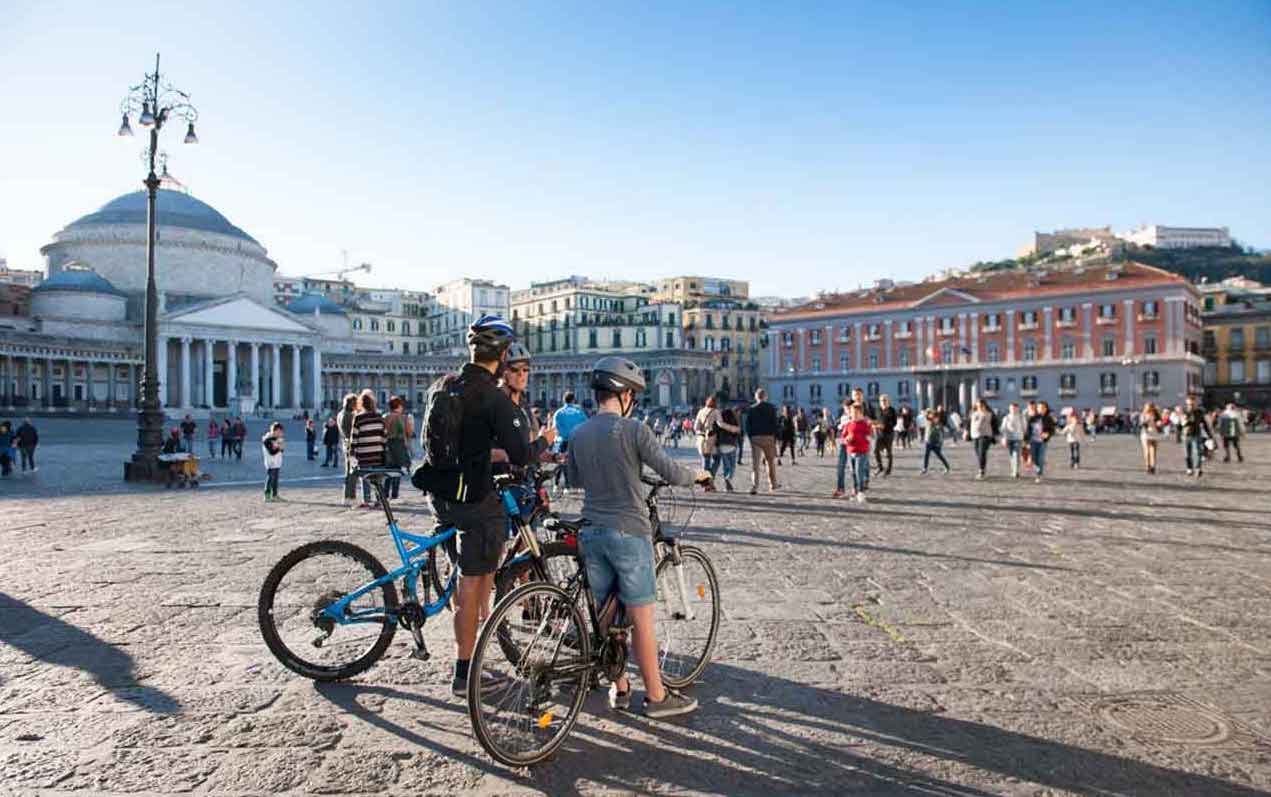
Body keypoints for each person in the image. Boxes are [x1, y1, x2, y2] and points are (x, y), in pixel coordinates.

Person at [566, 355, 711, 718]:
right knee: (641, 619)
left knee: (607, 616)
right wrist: (697, 476)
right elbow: (670, 471)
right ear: (626, 394)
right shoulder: (634, 430)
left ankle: (620, 688)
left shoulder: (578, 433)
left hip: (591, 533)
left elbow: (573, 479)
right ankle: (657, 697)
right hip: (629, 531)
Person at [413, 315, 534, 698]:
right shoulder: (492, 396)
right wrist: (541, 444)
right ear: (503, 354)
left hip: (440, 497)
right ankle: (465, 673)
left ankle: (472, 653)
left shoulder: (443, 385)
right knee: (473, 583)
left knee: (465, 577)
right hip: (475, 502)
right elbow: (521, 453)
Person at [350, 390, 386, 508]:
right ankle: (379, 499)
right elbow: (384, 436)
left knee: (365, 477)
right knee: (377, 478)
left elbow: (354, 438)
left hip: (363, 454)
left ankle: (366, 499)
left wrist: (352, 454)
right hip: (377, 453)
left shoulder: (358, 418)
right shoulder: (379, 417)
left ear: (361, 404)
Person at [746, 388, 780, 494]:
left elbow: (748, 425)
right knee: (770, 462)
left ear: (756, 397)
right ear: (765, 397)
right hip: (769, 437)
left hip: (755, 438)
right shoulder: (771, 408)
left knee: (755, 464)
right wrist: (775, 437)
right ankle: (773, 484)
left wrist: (750, 436)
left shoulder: (751, 409)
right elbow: (775, 423)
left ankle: (754, 486)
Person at [552, 391, 588, 490]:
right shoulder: (579, 412)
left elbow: (555, 428)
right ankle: (577, 485)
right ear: (573, 400)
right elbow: (586, 425)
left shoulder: (558, 412)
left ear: (564, 400)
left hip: (562, 441)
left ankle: (558, 485)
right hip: (576, 441)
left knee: (561, 462)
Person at [837, 402, 872, 503]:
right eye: (852, 413)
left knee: (858, 471)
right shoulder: (848, 424)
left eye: (857, 413)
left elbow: (868, 438)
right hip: (850, 452)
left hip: (862, 452)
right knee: (852, 472)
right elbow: (843, 437)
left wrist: (857, 437)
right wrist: (847, 439)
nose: (854, 415)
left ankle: (861, 492)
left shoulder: (864, 425)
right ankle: (855, 490)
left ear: (861, 414)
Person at [383, 395, 416, 500]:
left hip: (388, 446)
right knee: (397, 470)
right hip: (399, 446)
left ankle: (385, 493)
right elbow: (409, 433)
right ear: (399, 406)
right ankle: (394, 494)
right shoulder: (404, 418)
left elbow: (382, 432)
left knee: (388, 470)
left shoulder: (385, 416)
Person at [336, 393, 360, 508]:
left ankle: (347, 496)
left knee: (348, 471)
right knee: (353, 472)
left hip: (345, 444)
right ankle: (351, 497)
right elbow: (353, 431)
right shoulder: (350, 415)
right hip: (352, 445)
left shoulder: (340, 414)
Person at [1180, 395, 1212, 478]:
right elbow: (1181, 424)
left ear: (1196, 403)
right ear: (1186, 404)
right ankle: (1189, 468)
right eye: (1189, 404)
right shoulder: (1184, 412)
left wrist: (1209, 435)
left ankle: (1198, 468)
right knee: (1187, 454)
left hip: (1196, 434)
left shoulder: (1199, 412)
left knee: (1198, 452)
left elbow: (1204, 423)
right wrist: (1185, 420)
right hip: (1186, 435)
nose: (1191, 406)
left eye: (1192, 404)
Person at [693, 396, 722, 489]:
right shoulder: (716, 412)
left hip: (701, 440)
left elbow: (696, 427)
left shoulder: (701, 411)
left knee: (705, 460)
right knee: (716, 459)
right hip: (712, 439)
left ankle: (707, 482)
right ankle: (708, 482)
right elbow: (720, 424)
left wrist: (701, 433)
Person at [1027, 400, 1056, 483]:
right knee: (1034, 458)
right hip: (1033, 441)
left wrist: (1048, 434)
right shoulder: (1033, 418)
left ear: (1046, 408)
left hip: (1042, 441)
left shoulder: (1049, 418)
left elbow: (1052, 430)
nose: (1041, 409)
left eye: (1043, 407)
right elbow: (1028, 430)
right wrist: (1026, 441)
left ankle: (1038, 475)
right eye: (1039, 407)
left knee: (1040, 458)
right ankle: (1038, 469)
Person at [715, 406, 742, 492]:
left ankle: (727, 483)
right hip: (732, 445)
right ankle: (728, 478)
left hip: (722, 445)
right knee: (732, 465)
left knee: (726, 465)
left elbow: (716, 433)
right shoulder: (734, 422)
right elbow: (737, 433)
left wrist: (717, 444)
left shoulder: (720, 423)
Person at [874, 394, 898, 476]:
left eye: (885, 400)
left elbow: (894, 423)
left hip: (889, 434)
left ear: (888, 401)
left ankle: (888, 470)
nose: (883, 402)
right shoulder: (877, 410)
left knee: (888, 452)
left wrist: (885, 426)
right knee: (875, 450)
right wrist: (875, 425)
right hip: (879, 434)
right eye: (881, 400)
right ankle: (880, 467)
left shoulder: (892, 410)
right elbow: (876, 420)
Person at [969, 399, 994, 480]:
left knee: (982, 452)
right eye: (978, 405)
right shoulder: (973, 413)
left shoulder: (989, 414)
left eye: (981, 405)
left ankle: (981, 471)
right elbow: (969, 423)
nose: (980, 407)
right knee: (978, 453)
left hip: (985, 435)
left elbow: (994, 424)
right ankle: (983, 467)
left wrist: (995, 435)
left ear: (984, 405)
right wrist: (966, 431)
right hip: (975, 435)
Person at [921, 409, 951, 474]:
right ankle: (925, 468)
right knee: (926, 455)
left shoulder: (939, 424)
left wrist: (940, 442)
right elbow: (926, 415)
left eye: (936, 418)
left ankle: (947, 467)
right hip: (928, 441)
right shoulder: (928, 421)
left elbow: (941, 435)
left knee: (939, 455)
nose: (935, 419)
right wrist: (929, 412)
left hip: (936, 442)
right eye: (933, 417)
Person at [1000, 402, 1025, 479]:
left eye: (1015, 408)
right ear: (1009, 409)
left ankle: (1016, 471)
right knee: (1012, 455)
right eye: (1011, 408)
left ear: (1018, 409)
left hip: (1018, 438)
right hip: (1009, 438)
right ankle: (1013, 469)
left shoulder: (1021, 417)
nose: (1013, 410)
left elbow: (1024, 428)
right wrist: (1004, 438)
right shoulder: (1006, 418)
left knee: (1016, 454)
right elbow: (1003, 428)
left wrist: (1024, 438)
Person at [261, 422, 285, 502]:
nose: (281, 433)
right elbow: (271, 452)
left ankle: (275, 495)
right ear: (275, 431)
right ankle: (267, 495)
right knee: (270, 478)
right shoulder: (267, 440)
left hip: (277, 462)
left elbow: (281, 450)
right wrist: (279, 447)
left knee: (275, 480)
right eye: (279, 431)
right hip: (270, 463)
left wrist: (280, 446)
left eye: (281, 431)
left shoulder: (278, 439)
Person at [1140, 402, 1164, 474]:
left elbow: (1160, 423)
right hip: (1146, 434)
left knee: (1153, 451)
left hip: (1154, 433)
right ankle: (1148, 466)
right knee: (1147, 451)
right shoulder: (1143, 415)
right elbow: (1141, 424)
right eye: (1147, 408)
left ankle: (1153, 467)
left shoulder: (1156, 415)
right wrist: (1146, 420)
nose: (1148, 409)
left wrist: (1159, 423)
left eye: (1150, 408)